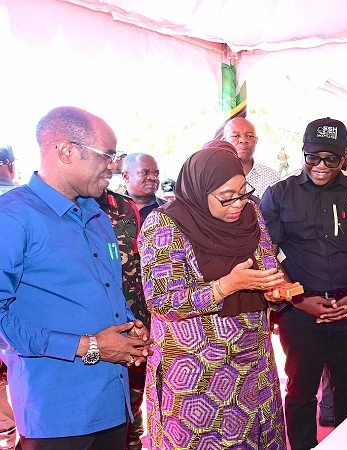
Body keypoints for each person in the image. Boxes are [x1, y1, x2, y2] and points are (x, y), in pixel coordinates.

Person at [0, 106, 149, 448]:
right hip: (57, 412)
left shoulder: (97, 216)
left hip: (112, 401)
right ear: (67, 151)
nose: (114, 165)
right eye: (108, 154)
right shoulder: (13, 218)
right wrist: (90, 347)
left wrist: (127, 327)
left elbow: (101, 291)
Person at [138, 140, 287, 449]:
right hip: (198, 373)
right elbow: (163, 301)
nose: (237, 205)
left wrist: (273, 288)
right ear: (198, 189)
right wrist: (228, 285)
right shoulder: (166, 224)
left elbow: (267, 263)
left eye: (242, 193)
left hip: (253, 358)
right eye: (226, 198)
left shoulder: (252, 214)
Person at [260, 117, 347, 450]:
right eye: (312, 157)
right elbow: (267, 256)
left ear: (345, 157)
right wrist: (298, 300)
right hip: (301, 311)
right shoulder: (279, 195)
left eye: (331, 159)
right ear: (303, 153)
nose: (320, 165)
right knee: (300, 390)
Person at [95, 186, 149, 450]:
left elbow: (140, 268)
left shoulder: (126, 207)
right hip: (93, 330)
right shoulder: (52, 209)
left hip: (133, 322)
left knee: (133, 400)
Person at [317, 139, 347, 428]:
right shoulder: (289, 190)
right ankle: (327, 398)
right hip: (309, 298)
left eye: (338, 155)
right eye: (319, 156)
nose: (328, 162)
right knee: (309, 372)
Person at [223, 117, 279, 198]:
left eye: (249, 136)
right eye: (236, 136)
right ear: (224, 141)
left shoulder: (272, 178)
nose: (243, 140)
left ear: (256, 140)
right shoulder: (214, 176)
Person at [121, 153, 165, 220]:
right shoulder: (110, 209)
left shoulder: (169, 210)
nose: (153, 178)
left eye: (156, 174)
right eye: (144, 173)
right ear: (126, 177)